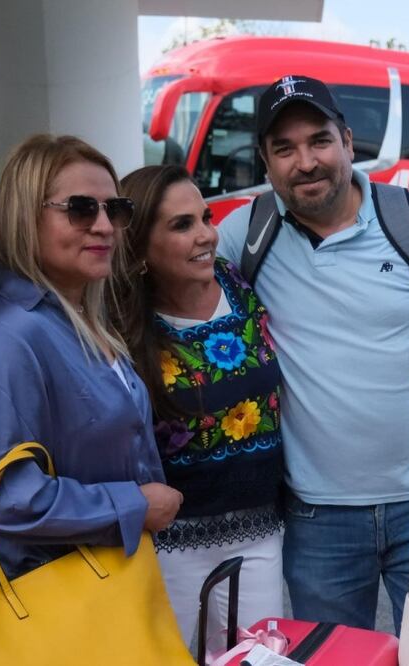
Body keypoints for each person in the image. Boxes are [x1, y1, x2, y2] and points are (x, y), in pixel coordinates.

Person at [216, 74, 409, 631]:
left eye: (319, 141)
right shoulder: (243, 235)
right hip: (316, 516)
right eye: (285, 148)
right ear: (265, 161)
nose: (305, 161)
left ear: (347, 142)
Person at [0, 134, 183, 591]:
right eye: (80, 208)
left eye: (116, 210)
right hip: (39, 596)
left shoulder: (75, 316)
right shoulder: (1, 336)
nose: (105, 226)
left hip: (92, 579)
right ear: (25, 217)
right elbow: (8, 500)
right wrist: (132, 505)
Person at [114, 165, 285, 652]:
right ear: (140, 248)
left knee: (258, 661)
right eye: (181, 225)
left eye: (205, 217)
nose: (206, 235)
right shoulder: (124, 328)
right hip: (169, 546)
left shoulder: (237, 284)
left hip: (259, 532)